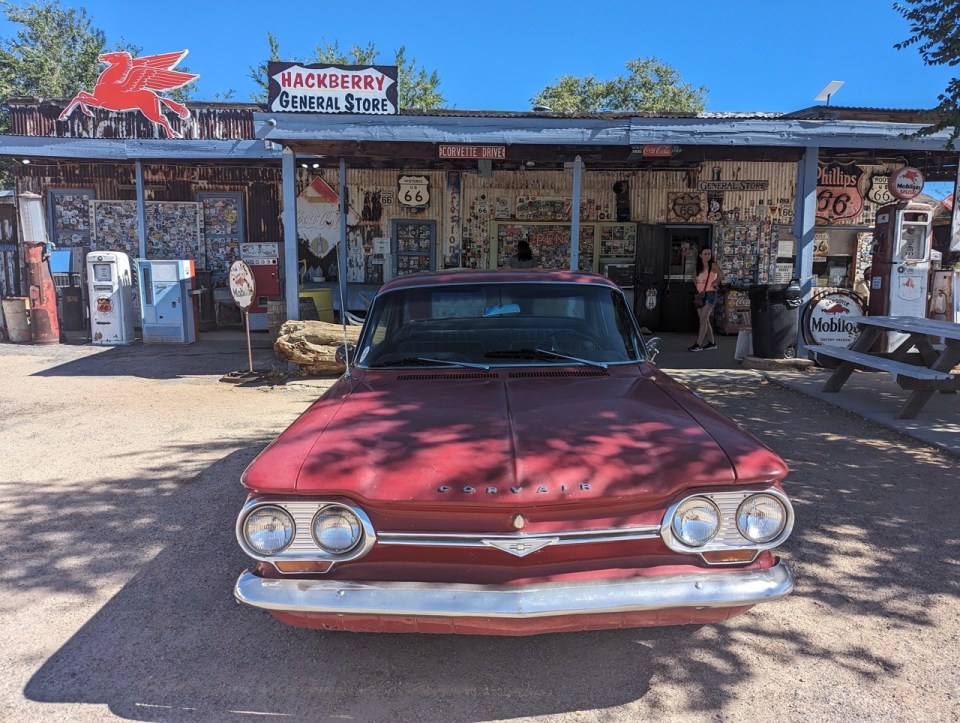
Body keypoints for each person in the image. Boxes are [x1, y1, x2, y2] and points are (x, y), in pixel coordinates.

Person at [689, 247, 720, 352]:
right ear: (700, 255)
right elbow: (693, 275)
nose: (707, 256)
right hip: (701, 294)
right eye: (705, 254)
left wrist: (713, 283)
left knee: (703, 320)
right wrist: (698, 286)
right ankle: (712, 342)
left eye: (709, 253)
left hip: (710, 294)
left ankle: (698, 344)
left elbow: (721, 275)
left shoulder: (713, 265)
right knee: (705, 320)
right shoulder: (699, 266)